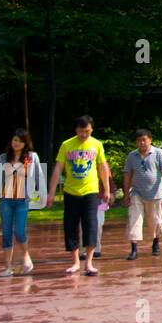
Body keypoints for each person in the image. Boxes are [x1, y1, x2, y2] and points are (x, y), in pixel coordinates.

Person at [47, 115, 111, 276]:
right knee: (71, 226)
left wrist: (107, 190)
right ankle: (75, 262)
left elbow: (103, 167)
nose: (84, 135)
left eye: (87, 131)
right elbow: (58, 169)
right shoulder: (67, 145)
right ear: (76, 130)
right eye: (81, 131)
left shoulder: (96, 144)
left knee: (91, 225)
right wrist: (51, 192)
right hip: (71, 192)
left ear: (92, 130)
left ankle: (89, 263)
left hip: (91, 191)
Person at [0, 129, 41, 277]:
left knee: (19, 231)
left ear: (25, 143)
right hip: (5, 200)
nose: (16, 143)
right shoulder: (3, 158)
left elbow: (38, 176)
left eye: (19, 140)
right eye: (14, 140)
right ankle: (7, 267)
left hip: (22, 201)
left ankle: (25, 255)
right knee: (6, 233)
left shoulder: (31, 158)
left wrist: (44, 194)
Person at [122, 128, 162, 260]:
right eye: (139, 141)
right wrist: (126, 194)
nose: (142, 143)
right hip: (137, 193)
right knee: (134, 220)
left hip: (155, 194)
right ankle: (134, 249)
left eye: (144, 140)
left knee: (155, 221)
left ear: (150, 140)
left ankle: (155, 243)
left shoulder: (158, 153)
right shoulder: (132, 156)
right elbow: (127, 175)